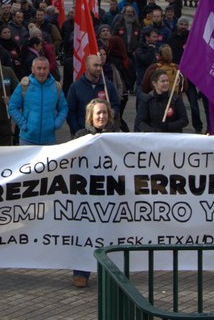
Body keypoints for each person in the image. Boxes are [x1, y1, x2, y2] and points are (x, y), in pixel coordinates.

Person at [71, 98, 119, 288]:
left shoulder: (117, 136)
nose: (101, 116)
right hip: (87, 195)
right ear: (90, 116)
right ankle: (81, 272)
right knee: (85, 233)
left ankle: (112, 272)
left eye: (104, 112)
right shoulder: (80, 136)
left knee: (111, 233)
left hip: (111, 195)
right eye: (98, 113)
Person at [8, 57, 67, 145]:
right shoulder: (24, 86)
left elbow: (63, 108)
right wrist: (23, 124)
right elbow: (12, 107)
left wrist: (56, 124)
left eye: (44, 68)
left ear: (48, 69)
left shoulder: (56, 87)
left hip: (49, 140)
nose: (42, 72)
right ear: (33, 69)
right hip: (27, 140)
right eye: (39, 68)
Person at [66, 54, 120, 136]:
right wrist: (77, 131)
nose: (99, 68)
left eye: (100, 65)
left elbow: (116, 105)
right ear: (87, 66)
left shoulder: (108, 85)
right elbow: (70, 112)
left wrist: (113, 111)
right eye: (95, 65)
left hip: (105, 134)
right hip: (82, 134)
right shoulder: (75, 87)